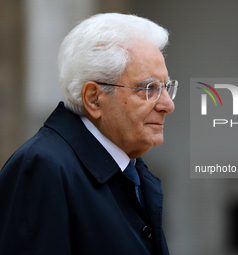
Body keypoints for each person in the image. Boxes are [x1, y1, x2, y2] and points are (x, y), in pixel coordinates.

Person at [0, 13, 178, 255]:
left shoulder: (130, 171)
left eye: (166, 88)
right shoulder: (43, 168)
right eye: (148, 89)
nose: (167, 104)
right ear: (94, 99)